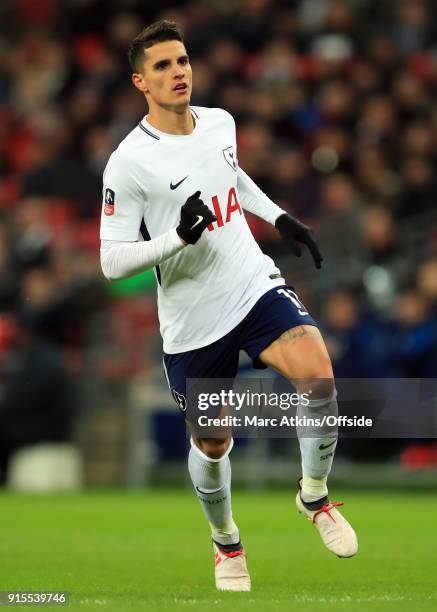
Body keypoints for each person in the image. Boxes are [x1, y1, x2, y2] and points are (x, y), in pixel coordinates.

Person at [99, 20, 357, 592]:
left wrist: (280, 218)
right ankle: (226, 543)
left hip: (249, 281)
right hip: (193, 316)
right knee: (213, 442)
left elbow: (232, 176)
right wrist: (178, 240)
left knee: (318, 375)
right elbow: (112, 262)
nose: (178, 72)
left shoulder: (220, 122)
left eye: (183, 61)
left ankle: (314, 496)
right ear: (141, 81)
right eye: (163, 66)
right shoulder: (129, 162)